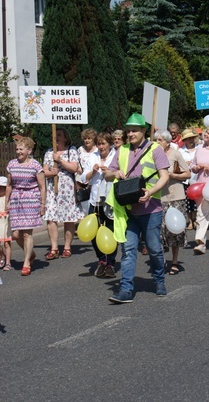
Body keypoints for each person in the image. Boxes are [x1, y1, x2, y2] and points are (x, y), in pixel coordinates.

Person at [105, 113, 170, 303]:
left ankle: (159, 280)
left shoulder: (155, 149)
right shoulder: (122, 150)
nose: (131, 133)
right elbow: (108, 174)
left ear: (143, 130)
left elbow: (164, 176)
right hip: (128, 210)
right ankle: (126, 289)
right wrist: (115, 172)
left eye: (135, 130)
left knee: (154, 249)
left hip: (151, 209)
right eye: (129, 130)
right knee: (128, 249)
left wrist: (150, 192)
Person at [6, 137, 46, 275]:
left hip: (31, 200)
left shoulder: (35, 166)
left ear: (29, 151)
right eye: (17, 149)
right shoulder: (11, 164)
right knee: (16, 235)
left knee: (27, 234)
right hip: (16, 201)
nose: (18, 151)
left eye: (21, 149)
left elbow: (42, 187)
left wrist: (42, 204)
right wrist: (6, 203)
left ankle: (26, 262)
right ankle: (31, 253)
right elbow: (9, 185)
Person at [43, 128, 84, 259]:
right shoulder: (49, 152)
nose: (56, 137)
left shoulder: (71, 150)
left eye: (59, 135)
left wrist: (60, 160)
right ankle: (54, 248)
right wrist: (51, 173)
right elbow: (44, 171)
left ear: (65, 138)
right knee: (51, 218)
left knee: (68, 219)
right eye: (55, 135)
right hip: (52, 189)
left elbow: (73, 168)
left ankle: (67, 247)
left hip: (67, 189)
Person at [80, 132, 117, 277]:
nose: (101, 147)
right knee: (94, 233)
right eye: (99, 144)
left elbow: (120, 174)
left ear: (109, 144)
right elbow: (84, 178)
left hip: (110, 199)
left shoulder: (116, 156)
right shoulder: (93, 157)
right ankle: (101, 260)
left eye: (104, 144)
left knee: (110, 231)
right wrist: (93, 172)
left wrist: (109, 172)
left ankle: (111, 264)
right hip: (94, 200)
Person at [155, 130, 190, 274]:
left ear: (168, 142)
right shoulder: (153, 156)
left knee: (175, 230)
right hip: (159, 196)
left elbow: (187, 173)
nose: (157, 143)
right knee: (160, 230)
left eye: (160, 140)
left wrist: (173, 175)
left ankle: (174, 261)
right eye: (156, 140)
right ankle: (161, 261)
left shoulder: (175, 154)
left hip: (176, 195)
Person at [179, 128, 199, 230]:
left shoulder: (199, 148)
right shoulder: (180, 151)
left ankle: (195, 219)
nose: (191, 140)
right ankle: (190, 221)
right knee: (187, 202)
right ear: (184, 140)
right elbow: (177, 165)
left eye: (192, 138)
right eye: (189, 138)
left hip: (197, 178)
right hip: (185, 179)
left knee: (196, 201)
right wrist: (184, 165)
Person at [76, 128, 98, 216]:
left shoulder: (97, 150)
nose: (87, 140)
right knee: (83, 206)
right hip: (82, 180)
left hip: (94, 180)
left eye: (89, 138)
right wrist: (77, 167)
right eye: (85, 138)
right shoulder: (80, 149)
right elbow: (76, 161)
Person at [0, 176, 12, 271]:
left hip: (6, 223)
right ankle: (2, 256)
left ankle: (8, 262)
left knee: (7, 243)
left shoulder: (8, 198)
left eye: (2, 187)